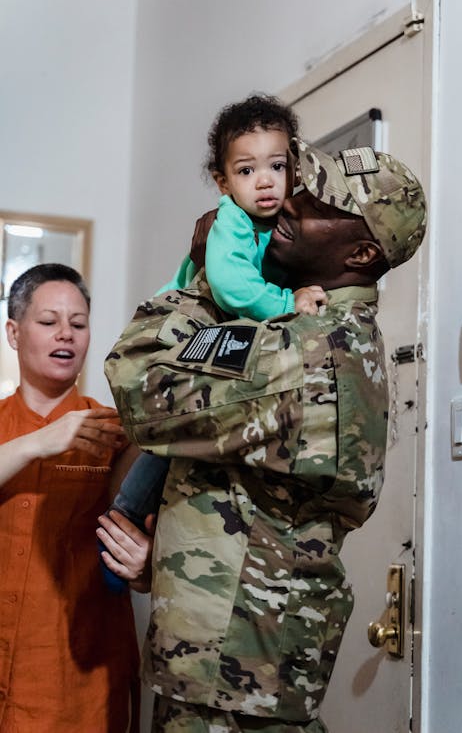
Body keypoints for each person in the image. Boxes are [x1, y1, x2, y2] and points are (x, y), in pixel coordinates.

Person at [105, 139, 426, 733]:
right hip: (234, 664)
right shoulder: (308, 330)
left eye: (314, 200)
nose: (286, 203)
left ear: (360, 252)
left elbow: (139, 383)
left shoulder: (309, 351)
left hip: (234, 683)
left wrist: (207, 274)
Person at [101, 95, 326, 592]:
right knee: (166, 443)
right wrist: (288, 300)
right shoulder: (232, 221)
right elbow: (231, 286)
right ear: (224, 183)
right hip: (182, 336)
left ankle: (138, 523)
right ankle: (123, 515)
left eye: (277, 166)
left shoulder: (280, 220)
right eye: (247, 171)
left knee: (185, 445)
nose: (265, 180)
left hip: (212, 338)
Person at [0, 263, 151, 733]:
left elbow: (154, 548)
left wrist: (146, 563)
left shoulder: (116, 433)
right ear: (14, 332)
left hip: (75, 676)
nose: (65, 334)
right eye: (48, 322)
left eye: (79, 324)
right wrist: (38, 443)